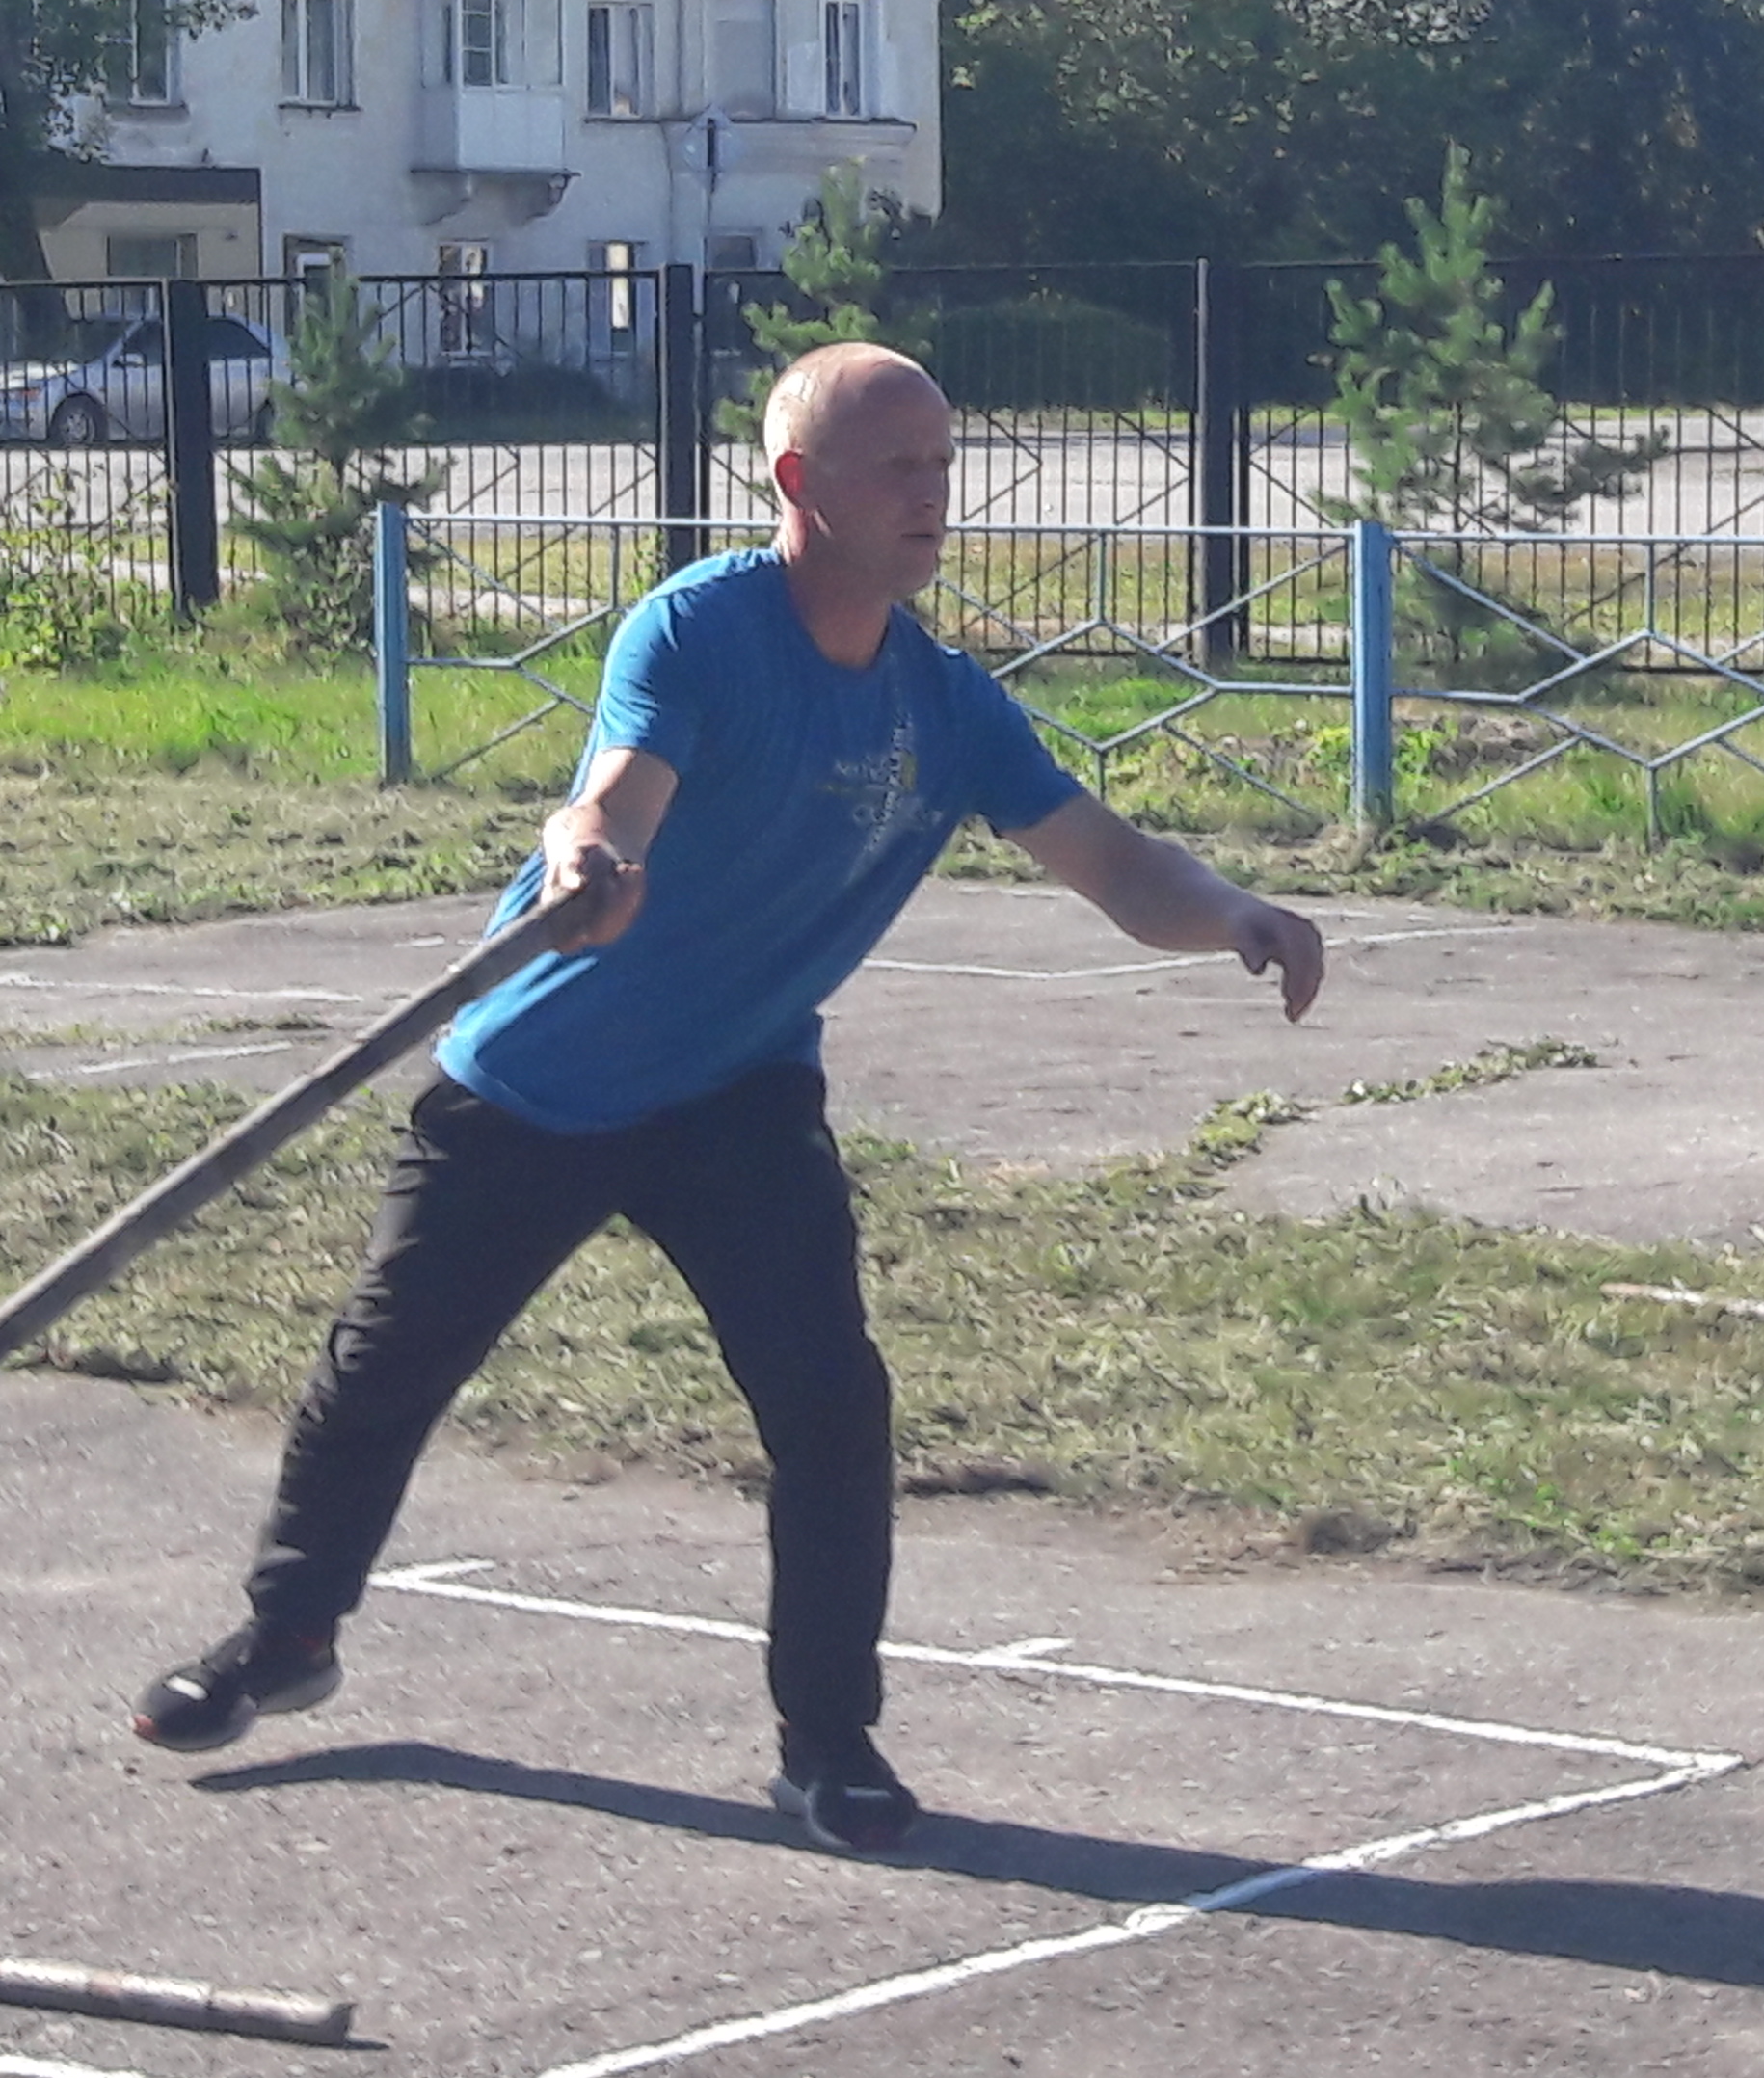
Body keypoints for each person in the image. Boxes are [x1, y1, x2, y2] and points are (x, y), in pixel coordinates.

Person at [131, 340, 1328, 1852]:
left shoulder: (949, 708)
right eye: (897, 467)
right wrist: (585, 866)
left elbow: (1117, 864)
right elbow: (614, 792)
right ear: (798, 485)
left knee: (830, 1409)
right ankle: (285, 1640)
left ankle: (829, 1747)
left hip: (741, 1093)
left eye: (943, 465)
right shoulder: (700, 628)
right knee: (383, 1371)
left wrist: (1231, 912)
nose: (932, 496)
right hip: (539, 1077)